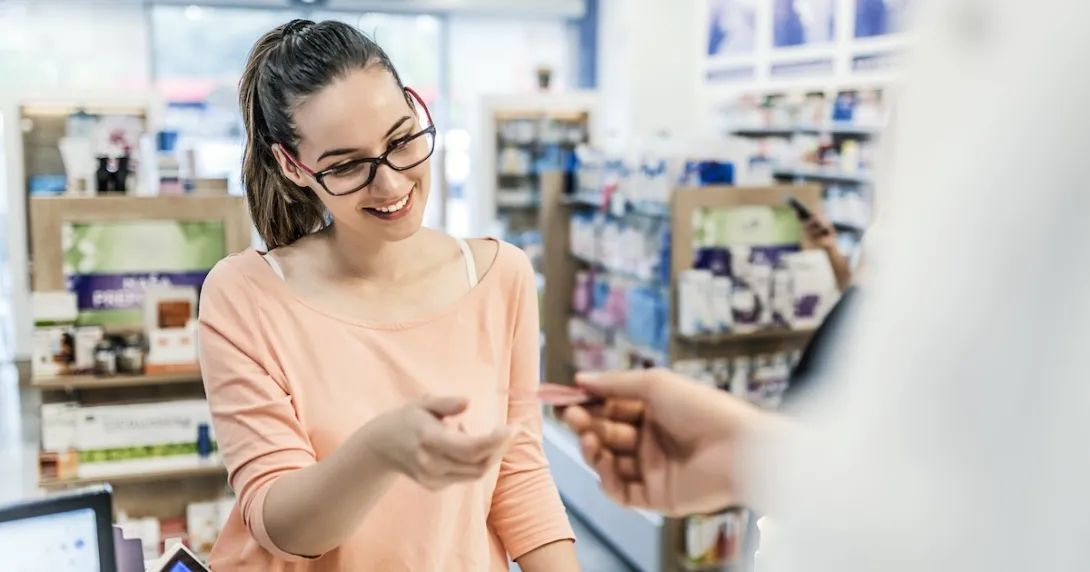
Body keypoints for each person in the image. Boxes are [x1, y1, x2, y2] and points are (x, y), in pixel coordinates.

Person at [197, 19, 578, 571]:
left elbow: (517, 473)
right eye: (348, 165)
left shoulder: (500, 276)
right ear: (291, 165)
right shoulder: (245, 295)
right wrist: (378, 452)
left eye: (401, 140)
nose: (393, 183)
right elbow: (282, 528)